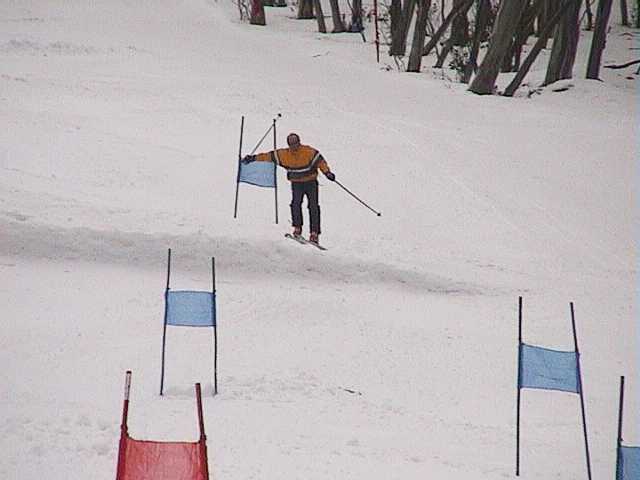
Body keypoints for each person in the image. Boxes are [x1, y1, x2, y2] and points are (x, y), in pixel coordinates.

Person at [242, 132, 335, 244]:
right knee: (295, 204)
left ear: (299, 142)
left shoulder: (308, 151)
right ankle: (297, 228)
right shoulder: (284, 154)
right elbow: (268, 156)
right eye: (291, 144)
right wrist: (253, 158)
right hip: (296, 184)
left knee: (313, 206)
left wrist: (327, 172)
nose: (294, 146)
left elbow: (320, 161)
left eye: (295, 143)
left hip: (311, 182)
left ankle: (314, 233)